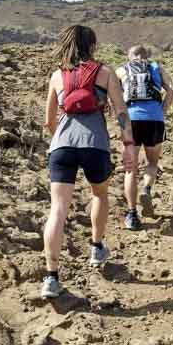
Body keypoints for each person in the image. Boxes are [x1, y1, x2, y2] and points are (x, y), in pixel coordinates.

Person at [41, 25, 136, 298]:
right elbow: (121, 112)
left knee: (57, 210)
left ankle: (51, 277)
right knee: (100, 195)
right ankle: (96, 247)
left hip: (62, 146)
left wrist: (62, 138)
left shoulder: (57, 76)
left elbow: (49, 121)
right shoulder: (105, 73)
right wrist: (128, 146)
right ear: (92, 45)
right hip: (96, 145)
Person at [116, 45, 173, 230]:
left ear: (130, 56)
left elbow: (115, 96)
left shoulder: (121, 70)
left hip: (132, 121)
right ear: (146, 56)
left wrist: (120, 118)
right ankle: (147, 189)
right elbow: (171, 89)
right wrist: (162, 111)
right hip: (154, 120)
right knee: (152, 161)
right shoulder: (156, 67)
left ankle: (132, 215)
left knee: (130, 170)